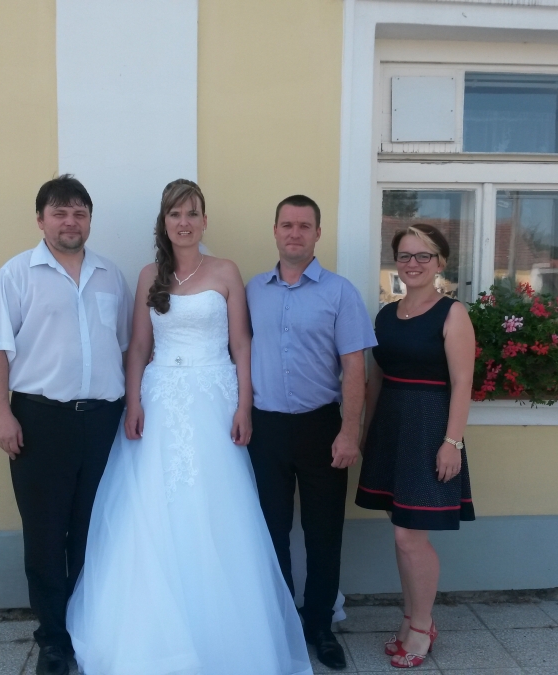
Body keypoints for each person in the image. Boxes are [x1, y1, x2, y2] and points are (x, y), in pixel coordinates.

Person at [66, 179, 313, 675]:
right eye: (175, 214)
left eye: (192, 213)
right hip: (160, 401)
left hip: (214, 399)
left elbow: (241, 344)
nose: (184, 223)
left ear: (204, 221)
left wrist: (244, 406)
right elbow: (139, 346)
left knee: (216, 505)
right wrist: (133, 402)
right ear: (164, 222)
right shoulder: (148, 275)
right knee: (156, 507)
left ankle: (226, 633)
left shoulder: (225, 271)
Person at [0, 175, 133, 675]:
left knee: (94, 531)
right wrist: (1, 413)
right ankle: (52, 640)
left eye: (79, 213)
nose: (70, 222)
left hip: (103, 421)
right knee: (46, 535)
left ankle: (86, 629)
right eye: (60, 213)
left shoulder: (111, 275)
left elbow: (126, 347)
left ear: (89, 220)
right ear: (41, 219)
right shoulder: (16, 274)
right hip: (40, 421)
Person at [246, 195, 377, 671]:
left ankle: (320, 625)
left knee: (324, 533)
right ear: (275, 231)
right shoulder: (252, 290)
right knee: (271, 531)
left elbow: (355, 369)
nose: (295, 233)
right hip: (265, 429)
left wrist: (349, 432)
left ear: (318, 233)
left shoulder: (340, 292)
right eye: (287, 224)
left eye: (304, 225)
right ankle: (283, 624)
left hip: (322, 426)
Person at [355, 224, 476, 669]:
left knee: (410, 536)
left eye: (423, 255)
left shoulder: (452, 313)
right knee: (400, 528)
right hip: (391, 427)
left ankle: (423, 627)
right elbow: (376, 377)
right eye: (405, 255)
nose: (413, 263)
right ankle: (410, 619)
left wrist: (452, 443)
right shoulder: (387, 315)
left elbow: (462, 383)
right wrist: (367, 429)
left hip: (429, 429)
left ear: (440, 262)